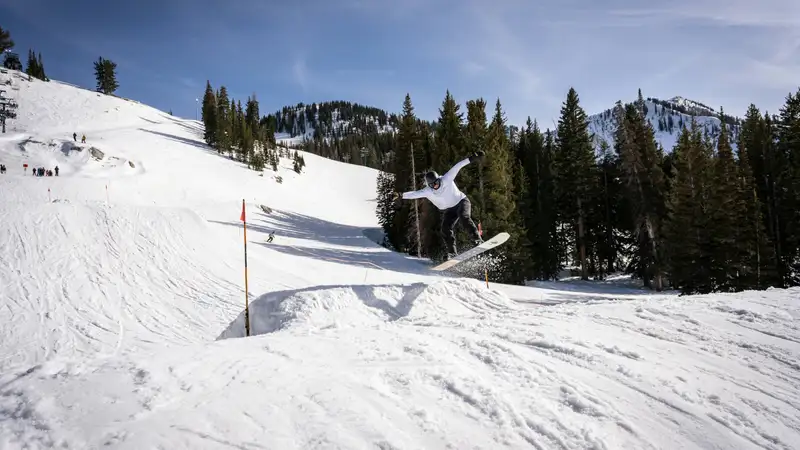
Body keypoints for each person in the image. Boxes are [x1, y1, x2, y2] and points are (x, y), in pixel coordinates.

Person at [396, 151, 485, 259]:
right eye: (432, 185)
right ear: (429, 185)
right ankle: (452, 252)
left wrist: (472, 158)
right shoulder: (427, 191)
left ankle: (476, 239)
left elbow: (458, 166)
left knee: (464, 217)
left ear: (439, 179)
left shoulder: (446, 178)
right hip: (450, 209)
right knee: (445, 229)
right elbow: (415, 194)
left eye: (436, 182)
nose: (435, 186)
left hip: (462, 201)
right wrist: (401, 195)